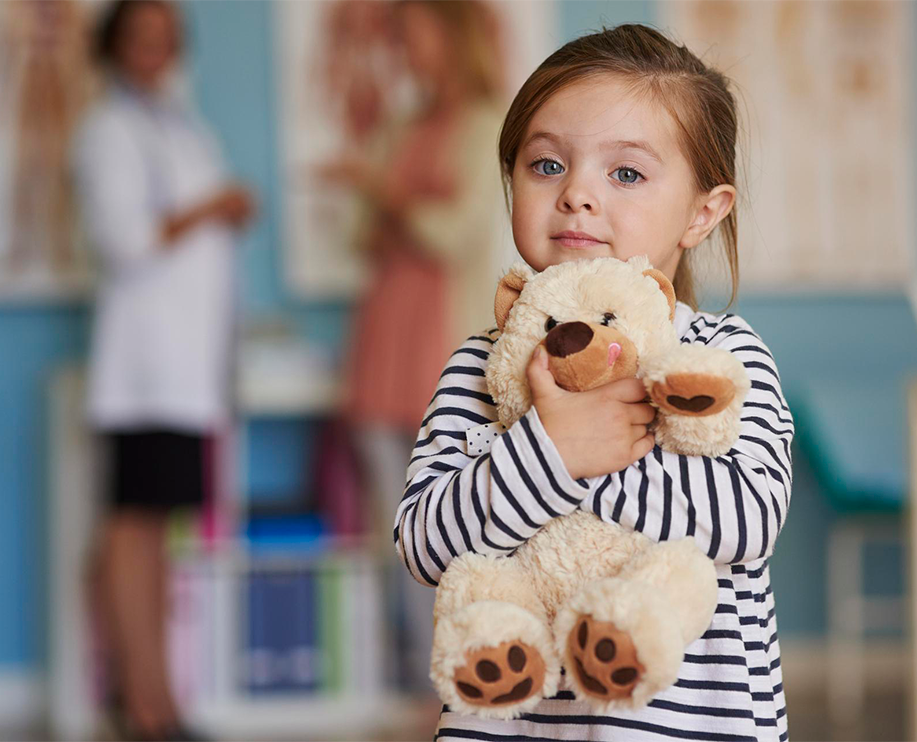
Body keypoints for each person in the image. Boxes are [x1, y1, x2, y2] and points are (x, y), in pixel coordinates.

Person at [395, 24, 793, 741]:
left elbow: (748, 519)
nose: (576, 193)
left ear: (703, 213)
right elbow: (425, 547)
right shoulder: (479, 368)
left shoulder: (719, 357)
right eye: (545, 165)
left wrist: (592, 459)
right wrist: (548, 448)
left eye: (626, 174)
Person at [72, 2, 255, 739]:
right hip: (145, 367)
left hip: (186, 368)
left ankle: (160, 702)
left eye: (166, 38)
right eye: (141, 38)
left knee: (156, 532)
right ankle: (144, 706)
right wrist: (213, 206)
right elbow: (124, 239)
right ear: (112, 46)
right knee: (131, 526)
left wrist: (216, 210)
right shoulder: (107, 131)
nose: (156, 51)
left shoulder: (179, 125)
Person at [322, 0, 508, 693]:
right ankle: (401, 673)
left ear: (451, 39)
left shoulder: (486, 123)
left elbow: (453, 232)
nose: (405, 53)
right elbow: (361, 237)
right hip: (382, 331)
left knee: (450, 516)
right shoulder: (401, 125)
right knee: (387, 517)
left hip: (439, 336)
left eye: (413, 38)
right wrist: (390, 209)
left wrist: (383, 196)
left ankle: (456, 672)